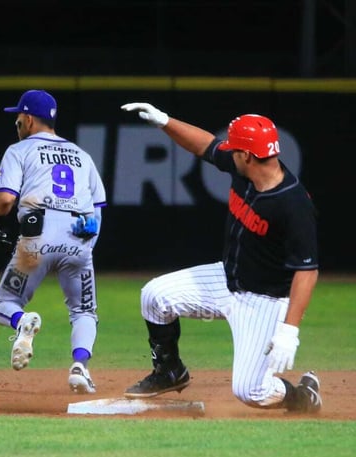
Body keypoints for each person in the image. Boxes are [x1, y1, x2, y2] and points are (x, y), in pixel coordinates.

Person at [119, 102, 322, 413]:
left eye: (235, 148)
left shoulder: (292, 204)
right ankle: (169, 371)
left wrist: (289, 331)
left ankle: (302, 396)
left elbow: (307, 272)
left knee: (251, 390)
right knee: (154, 296)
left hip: (264, 300)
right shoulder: (246, 166)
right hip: (227, 278)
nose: (229, 151)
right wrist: (164, 121)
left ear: (248, 155)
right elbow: (206, 146)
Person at [0, 89, 107, 394]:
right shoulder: (82, 156)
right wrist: (85, 248)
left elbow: (5, 200)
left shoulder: (19, 150)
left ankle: (23, 322)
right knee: (83, 312)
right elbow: (98, 207)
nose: (17, 121)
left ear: (30, 119)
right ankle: (79, 368)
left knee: (3, 304)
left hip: (37, 234)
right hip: (81, 234)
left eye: (19, 116)